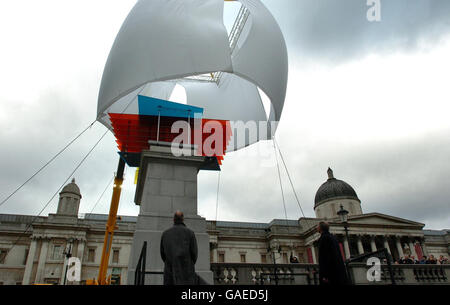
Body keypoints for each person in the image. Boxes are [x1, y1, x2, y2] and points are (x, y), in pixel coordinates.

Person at [160, 211, 199, 285]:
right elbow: (194, 254)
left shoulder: (165, 234)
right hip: (187, 272)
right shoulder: (190, 233)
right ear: (183, 219)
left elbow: (162, 254)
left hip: (170, 271)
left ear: (173, 219)